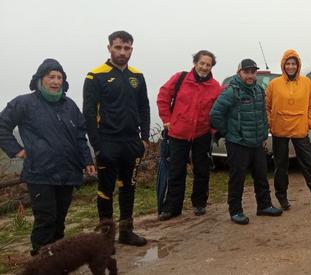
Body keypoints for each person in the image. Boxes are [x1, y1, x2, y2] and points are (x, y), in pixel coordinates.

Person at [0, 59, 96, 255]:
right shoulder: (24, 103)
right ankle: (41, 260)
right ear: (40, 79)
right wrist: (16, 149)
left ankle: (57, 259)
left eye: (60, 77)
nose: (55, 81)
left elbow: (80, 135)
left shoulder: (69, 105)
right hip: (40, 173)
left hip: (68, 172)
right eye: (51, 77)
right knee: (46, 219)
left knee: (60, 219)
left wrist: (87, 160)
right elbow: (2, 125)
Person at [83, 30, 149, 246]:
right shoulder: (95, 76)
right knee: (105, 190)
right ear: (109, 47)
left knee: (128, 187)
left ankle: (126, 232)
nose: (122, 52)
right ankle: (105, 238)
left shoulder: (137, 76)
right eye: (118, 47)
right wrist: (97, 145)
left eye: (127, 48)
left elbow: (144, 107)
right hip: (107, 141)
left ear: (132, 49)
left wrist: (145, 138)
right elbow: (89, 113)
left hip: (131, 142)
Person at [210, 59, 283, 224]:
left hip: (257, 142)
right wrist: (228, 132)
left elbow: (262, 115)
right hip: (238, 143)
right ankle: (235, 211)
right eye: (246, 72)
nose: (250, 75)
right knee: (237, 178)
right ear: (239, 73)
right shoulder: (231, 92)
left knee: (261, 176)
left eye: (252, 72)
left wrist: (264, 135)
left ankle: (264, 206)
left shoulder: (258, 90)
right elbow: (215, 114)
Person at [156, 50, 222, 221]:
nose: (204, 67)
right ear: (195, 63)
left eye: (208, 64)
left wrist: (214, 130)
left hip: (202, 133)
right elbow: (163, 96)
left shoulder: (215, 87)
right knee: (176, 170)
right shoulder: (180, 78)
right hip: (178, 133)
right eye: (202, 63)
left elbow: (218, 112)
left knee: (202, 170)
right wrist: (166, 120)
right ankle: (172, 207)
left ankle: (199, 203)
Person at [266, 49, 311, 210]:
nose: (290, 67)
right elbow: (266, 107)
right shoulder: (274, 84)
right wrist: (271, 122)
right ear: (283, 65)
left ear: (298, 65)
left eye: (293, 64)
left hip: (300, 130)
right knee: (281, 167)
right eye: (288, 64)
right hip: (279, 130)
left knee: (309, 164)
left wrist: (309, 123)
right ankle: (282, 198)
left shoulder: (306, 82)